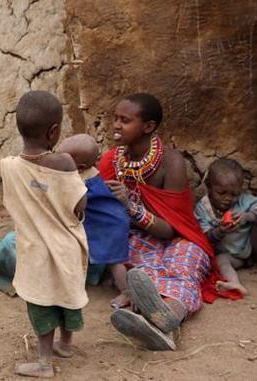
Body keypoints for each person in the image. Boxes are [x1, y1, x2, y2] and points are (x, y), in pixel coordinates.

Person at [99, 93, 241, 351]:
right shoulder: (111, 161)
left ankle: (166, 317)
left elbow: (171, 228)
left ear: (148, 127)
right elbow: (106, 221)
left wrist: (131, 206)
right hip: (137, 239)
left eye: (125, 120)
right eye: (115, 119)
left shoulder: (171, 162)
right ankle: (164, 326)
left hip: (179, 236)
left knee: (185, 267)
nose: (116, 125)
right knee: (145, 273)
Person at [1, 90, 89, 378]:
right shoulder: (65, 163)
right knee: (67, 296)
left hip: (34, 253)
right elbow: (79, 205)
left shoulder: (10, 167)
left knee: (42, 304)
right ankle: (66, 344)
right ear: (54, 132)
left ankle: (44, 361)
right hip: (67, 248)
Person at [56, 134, 130, 309]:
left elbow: (74, 204)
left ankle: (127, 292)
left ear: (79, 167)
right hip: (109, 220)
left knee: (115, 261)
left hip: (108, 226)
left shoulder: (81, 182)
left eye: (62, 160)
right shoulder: (89, 173)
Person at [194, 158, 257, 295]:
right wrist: (220, 231)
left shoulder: (244, 200)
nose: (228, 198)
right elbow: (204, 237)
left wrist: (247, 216)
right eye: (222, 193)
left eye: (234, 194)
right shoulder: (203, 208)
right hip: (231, 257)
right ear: (209, 188)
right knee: (221, 260)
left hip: (249, 250)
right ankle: (234, 283)